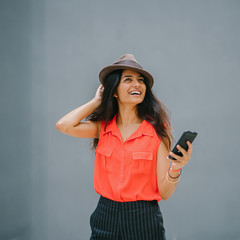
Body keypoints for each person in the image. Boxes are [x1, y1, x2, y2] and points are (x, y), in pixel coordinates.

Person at [56, 54, 193, 240]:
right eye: (128, 79)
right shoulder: (102, 128)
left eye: (141, 80)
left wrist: (176, 167)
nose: (137, 84)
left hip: (143, 218)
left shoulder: (157, 131)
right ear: (114, 91)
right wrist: (96, 101)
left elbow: (165, 193)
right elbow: (64, 125)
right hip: (105, 215)